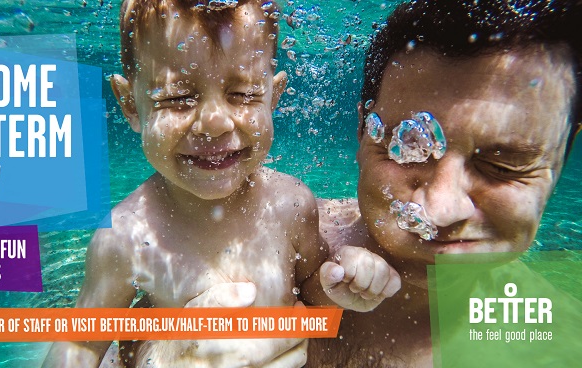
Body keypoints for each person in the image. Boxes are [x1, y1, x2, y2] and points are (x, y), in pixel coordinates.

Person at [43, 1, 400, 367]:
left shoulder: (292, 205)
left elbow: (310, 293)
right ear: (130, 104)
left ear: (273, 96)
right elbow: (81, 344)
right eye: (176, 98)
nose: (214, 123)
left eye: (244, 95)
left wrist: (342, 282)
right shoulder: (125, 237)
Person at [308, 0, 582, 366]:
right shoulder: (268, 241)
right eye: (407, 145)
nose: (439, 210)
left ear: (562, 159)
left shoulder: (560, 348)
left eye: (503, 165)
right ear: (362, 133)